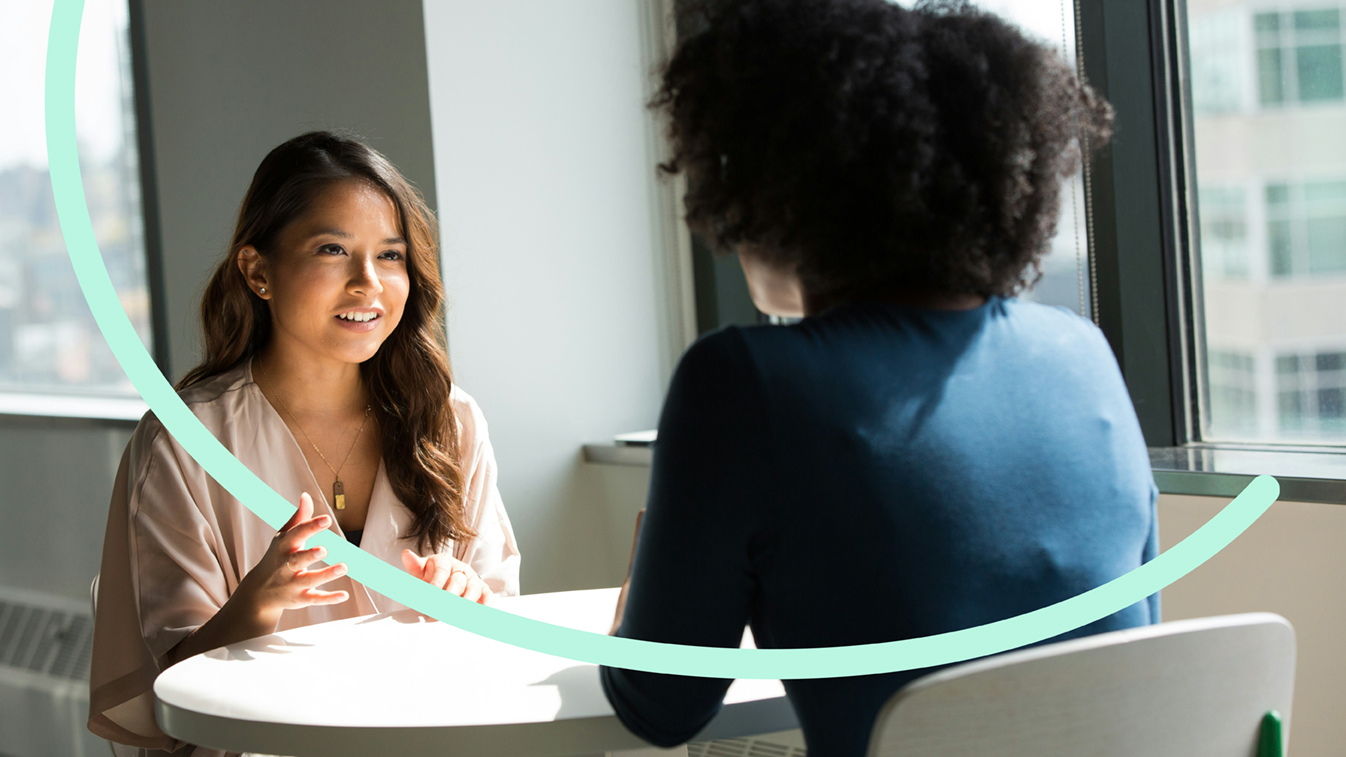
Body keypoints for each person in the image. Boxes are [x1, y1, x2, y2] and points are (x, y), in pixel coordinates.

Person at [600, 1, 1157, 755]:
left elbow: (659, 705)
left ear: (777, 189)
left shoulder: (742, 382)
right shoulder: (1085, 356)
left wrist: (643, 590)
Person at [88, 132, 520, 755]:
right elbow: (171, 695)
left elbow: (500, 632)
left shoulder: (451, 421)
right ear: (258, 271)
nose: (367, 283)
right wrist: (255, 606)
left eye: (390, 256)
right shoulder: (185, 442)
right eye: (332, 249)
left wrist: (467, 600)